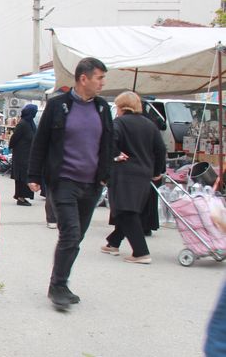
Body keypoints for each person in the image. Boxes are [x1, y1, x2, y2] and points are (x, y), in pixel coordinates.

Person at [27, 57, 114, 310]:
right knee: (70, 233)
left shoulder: (102, 108)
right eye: (99, 77)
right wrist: (33, 176)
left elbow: (108, 143)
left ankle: (60, 282)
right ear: (83, 78)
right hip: (64, 180)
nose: (102, 83)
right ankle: (58, 285)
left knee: (78, 237)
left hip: (92, 183)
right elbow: (40, 142)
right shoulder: (58, 106)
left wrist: (107, 174)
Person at [102, 91, 166, 264]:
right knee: (128, 210)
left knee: (125, 211)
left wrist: (116, 155)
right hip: (144, 172)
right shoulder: (150, 124)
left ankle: (141, 252)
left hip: (123, 172)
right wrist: (157, 171)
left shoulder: (119, 123)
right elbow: (160, 149)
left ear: (121, 107)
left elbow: (108, 142)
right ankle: (113, 243)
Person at [9, 104, 37, 206]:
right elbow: (14, 139)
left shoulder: (30, 123)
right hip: (21, 156)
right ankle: (20, 198)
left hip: (28, 155)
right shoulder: (23, 124)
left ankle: (23, 197)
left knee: (26, 176)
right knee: (22, 177)